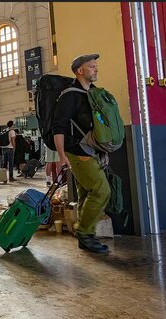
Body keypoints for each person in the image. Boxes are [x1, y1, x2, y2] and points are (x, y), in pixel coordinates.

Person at [53, 53, 110, 253]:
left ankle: (85, 236)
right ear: (80, 71)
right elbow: (58, 127)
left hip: (93, 150)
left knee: (87, 193)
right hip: (77, 151)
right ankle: (85, 233)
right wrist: (62, 156)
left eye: (96, 66)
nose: (96, 69)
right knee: (102, 191)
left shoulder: (92, 93)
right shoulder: (70, 95)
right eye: (92, 66)